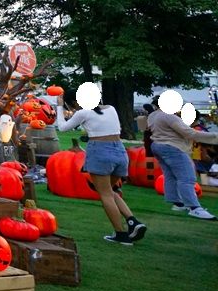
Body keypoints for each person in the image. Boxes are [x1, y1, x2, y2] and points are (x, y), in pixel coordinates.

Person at [54, 83, 146, 244]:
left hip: (100, 151)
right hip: (120, 151)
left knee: (104, 194)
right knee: (110, 191)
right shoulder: (111, 108)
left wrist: (59, 108)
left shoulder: (83, 112)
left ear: (76, 102)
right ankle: (132, 221)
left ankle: (120, 233)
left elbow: (62, 128)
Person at [147, 93, 218, 220]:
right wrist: (215, 137)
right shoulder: (169, 116)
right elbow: (189, 133)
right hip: (173, 147)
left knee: (170, 175)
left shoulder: (153, 116)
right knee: (187, 177)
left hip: (158, 146)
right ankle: (194, 208)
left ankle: (177, 203)